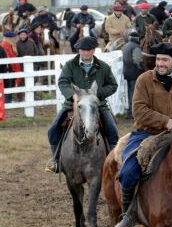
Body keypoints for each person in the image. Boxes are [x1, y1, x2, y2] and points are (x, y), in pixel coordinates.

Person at [111, 42, 172, 227]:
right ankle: (129, 214)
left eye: (165, 60)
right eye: (158, 59)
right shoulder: (144, 80)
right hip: (146, 133)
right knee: (128, 171)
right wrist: (166, 121)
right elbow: (139, 111)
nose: (160, 64)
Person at [45, 36, 119, 173]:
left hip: (97, 105)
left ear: (93, 51)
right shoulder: (69, 65)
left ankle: (112, 161)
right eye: (83, 50)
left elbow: (113, 85)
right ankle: (56, 161)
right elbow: (63, 82)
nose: (86, 53)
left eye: (89, 50)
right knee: (53, 129)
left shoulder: (103, 67)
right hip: (72, 104)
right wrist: (72, 96)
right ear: (78, 50)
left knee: (112, 130)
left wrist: (97, 94)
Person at [121, 29, 145, 118]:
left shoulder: (125, 46)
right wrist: (142, 69)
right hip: (134, 72)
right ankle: (132, 113)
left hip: (126, 72)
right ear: (137, 38)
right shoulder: (136, 47)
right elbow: (137, 60)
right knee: (134, 93)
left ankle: (129, 112)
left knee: (129, 92)